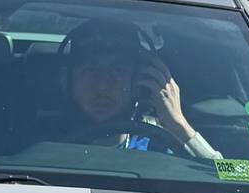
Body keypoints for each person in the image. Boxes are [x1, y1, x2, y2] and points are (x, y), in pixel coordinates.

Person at [61, 18, 221, 161]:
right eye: (90, 71)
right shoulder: (39, 142)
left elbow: (231, 179)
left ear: (140, 82)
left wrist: (178, 125)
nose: (103, 85)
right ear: (67, 81)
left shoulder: (162, 147)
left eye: (118, 71)